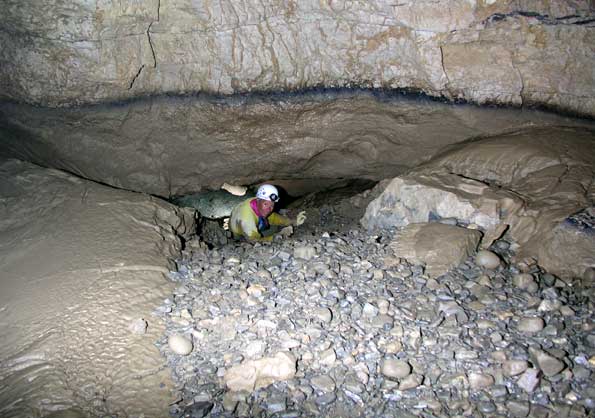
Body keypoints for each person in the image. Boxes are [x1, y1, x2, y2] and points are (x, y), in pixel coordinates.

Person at [229, 184, 306, 241]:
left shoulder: (258, 203)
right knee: (274, 231)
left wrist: (293, 222)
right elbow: (253, 240)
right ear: (258, 200)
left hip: (251, 224)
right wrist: (275, 237)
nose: (269, 209)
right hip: (240, 235)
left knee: (275, 227)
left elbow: (273, 217)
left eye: (272, 205)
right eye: (266, 204)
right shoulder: (246, 217)